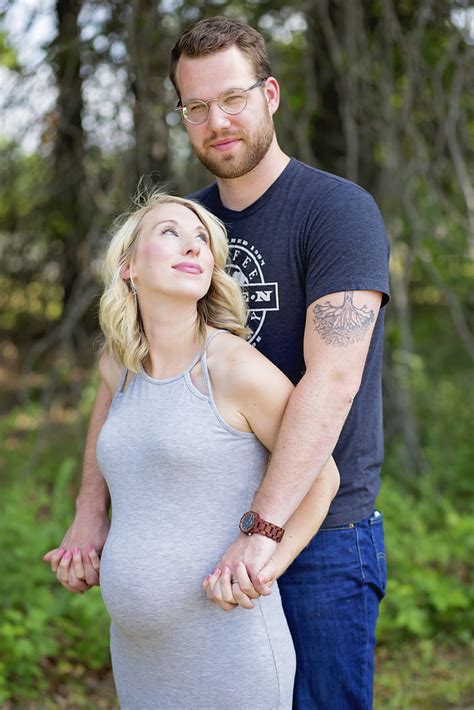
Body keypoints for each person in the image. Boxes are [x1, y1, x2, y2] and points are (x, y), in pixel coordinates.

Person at [44, 17, 390, 709]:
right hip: (211, 544)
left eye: (233, 98)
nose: (217, 121)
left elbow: (332, 379)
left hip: (321, 534)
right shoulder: (188, 227)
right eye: (196, 107)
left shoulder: (336, 211)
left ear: (270, 94)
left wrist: (263, 531)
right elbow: (122, 375)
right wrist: (91, 509)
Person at [89, 190, 340, 707]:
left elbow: (323, 476)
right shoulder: (119, 366)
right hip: (139, 656)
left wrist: (264, 564)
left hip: (230, 652)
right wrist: (84, 520)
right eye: (170, 232)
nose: (192, 246)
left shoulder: (232, 367)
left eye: (202, 239)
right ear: (129, 267)